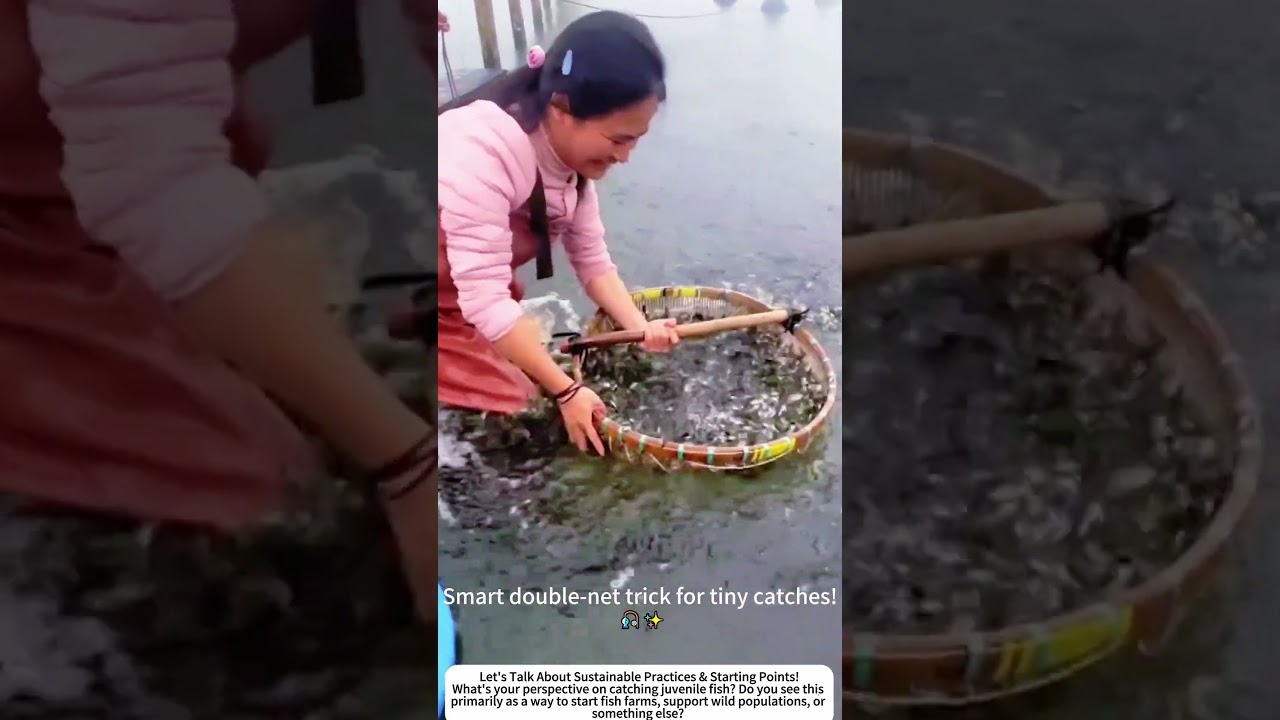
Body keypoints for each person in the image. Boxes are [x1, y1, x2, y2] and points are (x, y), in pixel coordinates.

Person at [0, 0, 443, 624]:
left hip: (136, 131)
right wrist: (407, 462)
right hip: (50, 211)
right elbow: (153, 189)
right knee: (265, 525)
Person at [438, 11, 680, 455]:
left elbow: (593, 262)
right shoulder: (483, 154)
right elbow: (486, 302)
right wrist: (567, 393)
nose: (625, 157)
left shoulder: (570, 164)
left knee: (534, 375)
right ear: (563, 109)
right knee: (527, 410)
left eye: (635, 139)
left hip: (463, 289)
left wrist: (638, 328)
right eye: (618, 139)